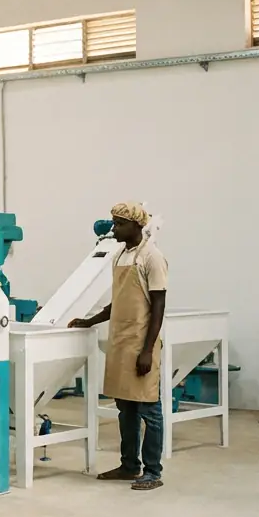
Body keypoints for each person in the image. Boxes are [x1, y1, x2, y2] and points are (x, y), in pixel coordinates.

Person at [70, 203, 168, 491]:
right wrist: (90, 320)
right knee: (125, 409)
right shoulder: (120, 256)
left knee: (149, 409)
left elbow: (158, 306)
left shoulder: (152, 257)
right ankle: (129, 466)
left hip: (141, 343)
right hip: (121, 342)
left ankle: (153, 471)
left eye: (119, 224)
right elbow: (120, 301)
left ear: (136, 225)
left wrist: (147, 350)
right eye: (114, 223)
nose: (114, 229)